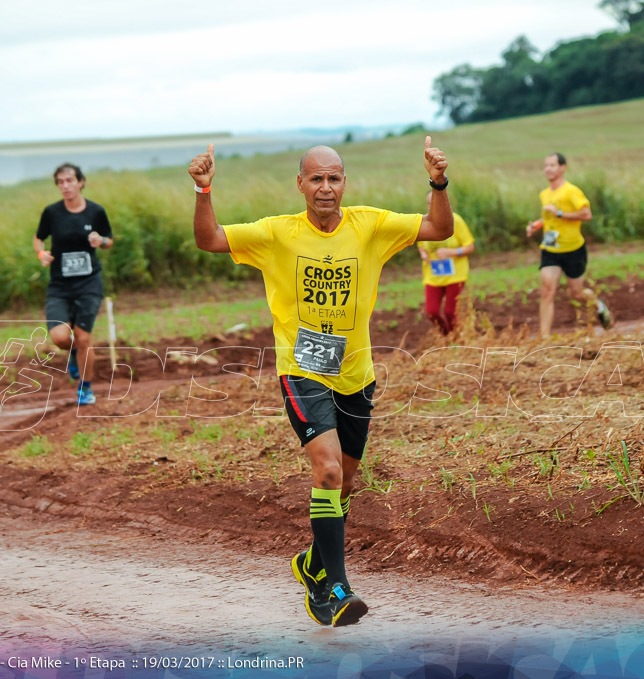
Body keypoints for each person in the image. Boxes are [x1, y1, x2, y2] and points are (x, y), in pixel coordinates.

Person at [189, 137, 453, 627]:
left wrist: (437, 181)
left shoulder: (370, 225)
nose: (325, 187)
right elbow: (211, 240)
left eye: (334, 178)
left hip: (356, 374)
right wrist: (204, 192)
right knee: (327, 471)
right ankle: (332, 589)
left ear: (344, 183)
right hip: (302, 369)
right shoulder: (275, 233)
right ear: (301, 185)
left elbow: (439, 227)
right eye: (316, 178)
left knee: (346, 483)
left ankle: (312, 563)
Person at [33, 163, 113, 405]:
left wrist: (101, 240)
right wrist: (42, 254)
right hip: (60, 286)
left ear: (81, 182)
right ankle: (74, 354)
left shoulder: (96, 211)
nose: (65, 186)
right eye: (60, 182)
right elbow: (39, 239)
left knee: (83, 337)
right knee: (59, 337)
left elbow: (109, 240)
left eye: (69, 180)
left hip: (89, 284)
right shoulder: (52, 212)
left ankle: (85, 388)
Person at [525, 153, 612, 337]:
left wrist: (559, 213)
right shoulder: (545, 194)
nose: (548, 169)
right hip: (551, 249)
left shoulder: (571, 191)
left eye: (553, 165)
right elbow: (549, 217)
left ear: (562, 168)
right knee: (547, 289)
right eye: (546, 165)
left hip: (573, 250)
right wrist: (536, 225)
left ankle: (599, 305)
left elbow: (586, 214)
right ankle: (544, 337)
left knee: (578, 293)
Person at [417, 192, 475, 334]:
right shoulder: (423, 222)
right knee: (432, 312)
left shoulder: (455, 220)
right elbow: (421, 245)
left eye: (435, 202)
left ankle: (457, 340)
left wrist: (452, 252)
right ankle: (447, 337)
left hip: (455, 274)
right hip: (433, 275)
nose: (432, 207)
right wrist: (423, 254)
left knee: (450, 312)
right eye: (429, 203)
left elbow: (470, 247)